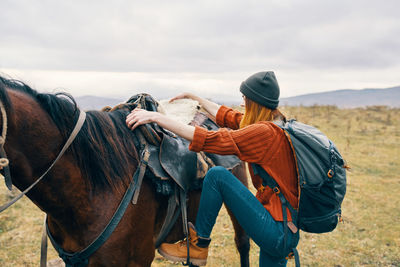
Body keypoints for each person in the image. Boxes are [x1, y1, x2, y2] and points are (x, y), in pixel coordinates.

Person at [126, 71, 300, 267]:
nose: (242, 104)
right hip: (286, 228)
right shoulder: (275, 124)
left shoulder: (264, 134)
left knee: (217, 176)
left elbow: (210, 139)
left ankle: (198, 245)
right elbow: (228, 116)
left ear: (256, 102)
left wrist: (157, 118)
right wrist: (195, 98)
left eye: (245, 99)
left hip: (275, 229)